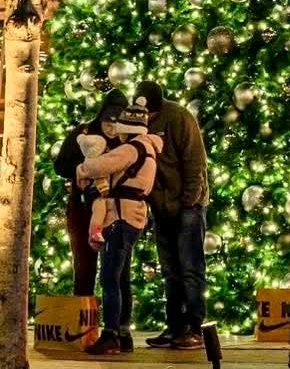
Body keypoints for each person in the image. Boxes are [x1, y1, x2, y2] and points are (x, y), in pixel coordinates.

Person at [78, 96, 163, 357]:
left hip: (121, 216)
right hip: (133, 215)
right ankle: (123, 334)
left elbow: (100, 165)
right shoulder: (148, 147)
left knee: (110, 277)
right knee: (119, 275)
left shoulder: (131, 149)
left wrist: (83, 168)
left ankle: (111, 334)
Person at [139, 81, 208, 351]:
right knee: (170, 270)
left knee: (190, 267)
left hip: (188, 205)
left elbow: (194, 161)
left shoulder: (179, 118)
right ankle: (175, 325)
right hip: (161, 207)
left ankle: (194, 326)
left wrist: (188, 200)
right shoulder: (138, 121)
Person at [52, 89, 128, 298]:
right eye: (108, 122)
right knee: (84, 265)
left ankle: (117, 325)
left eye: (117, 124)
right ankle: (83, 320)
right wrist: (81, 168)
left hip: (115, 211)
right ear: (101, 116)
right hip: (82, 206)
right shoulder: (82, 134)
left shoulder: (127, 141)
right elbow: (60, 166)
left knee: (118, 269)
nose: (112, 129)